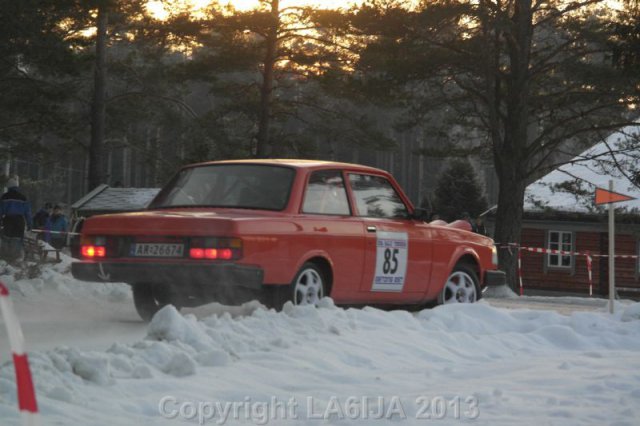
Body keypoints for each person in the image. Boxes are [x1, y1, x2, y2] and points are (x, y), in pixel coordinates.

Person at [0, 177, 33, 261]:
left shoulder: (4, 197)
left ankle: (5, 257)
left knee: (7, 238)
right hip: (19, 220)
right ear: (17, 187)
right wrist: (29, 223)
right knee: (17, 238)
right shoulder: (23, 198)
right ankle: (15, 257)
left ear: (8, 187)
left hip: (8, 220)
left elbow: (0, 210)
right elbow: (28, 212)